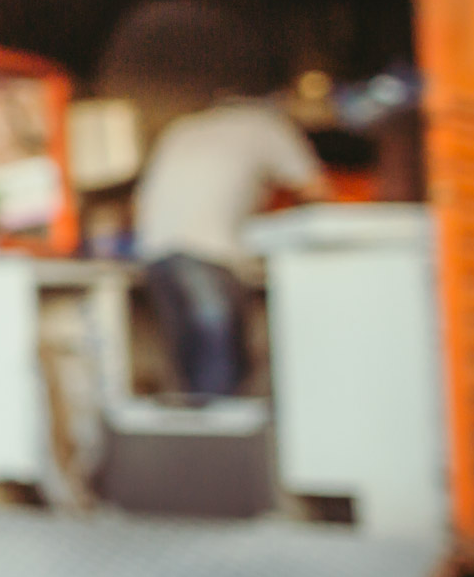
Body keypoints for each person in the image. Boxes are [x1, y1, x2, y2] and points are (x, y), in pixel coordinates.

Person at [133, 96, 328, 395]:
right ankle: (222, 435)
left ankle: (198, 435)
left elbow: (139, 201)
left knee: (190, 361)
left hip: (155, 252)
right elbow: (315, 190)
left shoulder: (184, 128)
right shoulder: (266, 124)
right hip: (206, 250)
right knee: (219, 359)